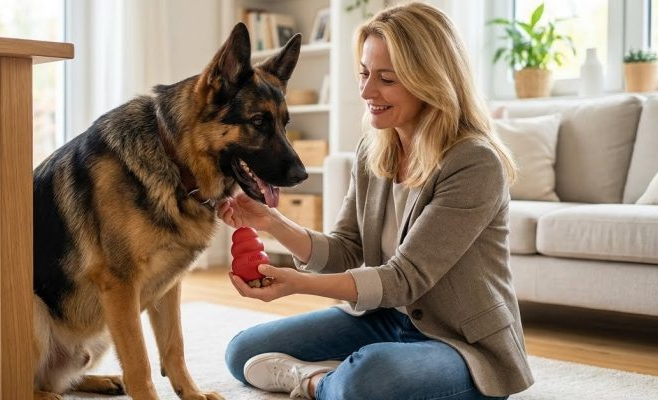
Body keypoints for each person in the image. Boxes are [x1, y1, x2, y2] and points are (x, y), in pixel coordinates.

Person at [217, 3, 534, 399]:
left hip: (460, 342)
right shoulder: (374, 150)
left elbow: (404, 279)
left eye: (386, 79)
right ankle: (347, 374)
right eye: (365, 74)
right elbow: (347, 248)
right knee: (243, 352)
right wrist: (274, 223)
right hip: (384, 319)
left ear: (430, 79)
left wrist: (298, 284)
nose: (367, 92)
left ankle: (317, 381)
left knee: (369, 381)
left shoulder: (474, 162)